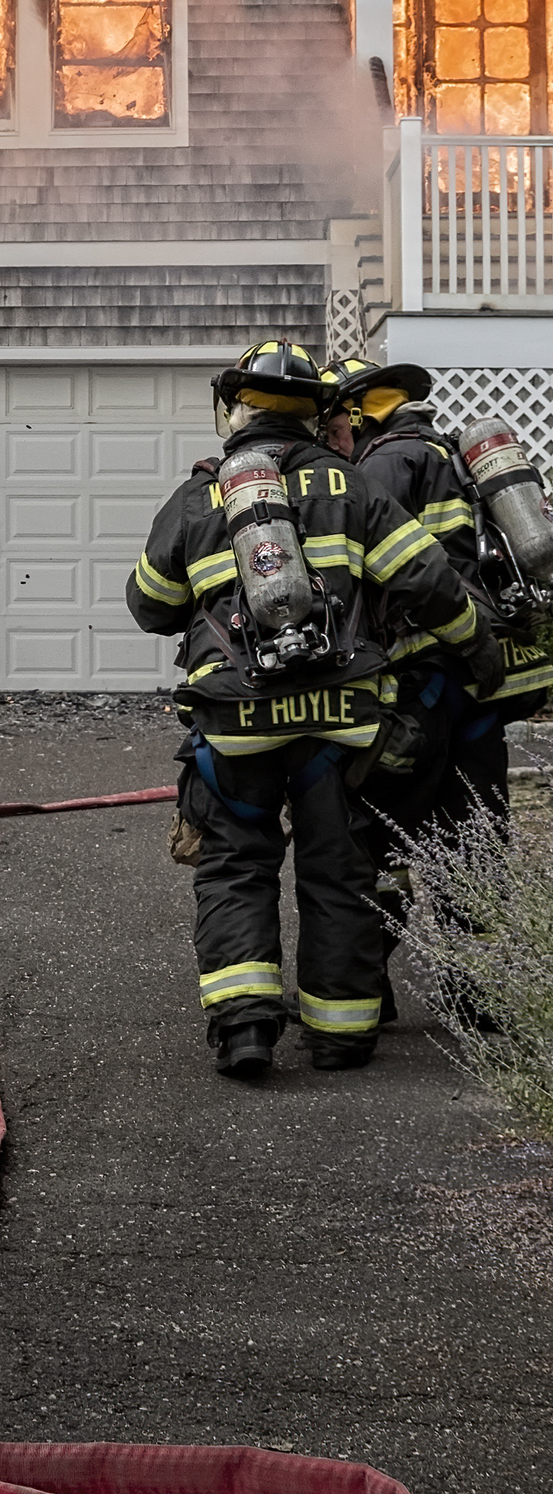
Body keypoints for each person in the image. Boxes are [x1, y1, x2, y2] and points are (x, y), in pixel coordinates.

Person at [126, 339, 504, 1081]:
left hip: (234, 724)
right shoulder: (353, 486)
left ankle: (245, 1029)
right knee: (340, 872)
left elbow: (150, 606)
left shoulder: (196, 497)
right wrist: (478, 651)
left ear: (233, 409)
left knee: (237, 867)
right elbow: (426, 580)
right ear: (318, 413)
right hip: (344, 723)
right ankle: (342, 1036)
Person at [319, 361, 552, 1018]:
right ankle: (477, 1004)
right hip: (472, 689)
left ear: (362, 412)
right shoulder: (445, 455)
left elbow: (376, 576)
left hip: (420, 687)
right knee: (470, 839)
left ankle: (363, 990)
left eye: (340, 416)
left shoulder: (384, 468)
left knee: (377, 838)